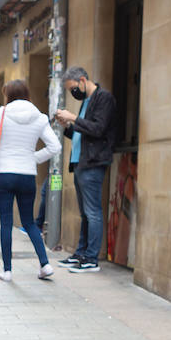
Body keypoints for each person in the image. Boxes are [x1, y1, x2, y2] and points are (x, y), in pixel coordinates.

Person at [0, 79, 60, 282]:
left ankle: (7, 271)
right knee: (29, 222)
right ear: (27, 94)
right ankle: (45, 265)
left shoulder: (2, 113)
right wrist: (32, 158)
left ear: (7, 94)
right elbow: (55, 147)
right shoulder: (39, 117)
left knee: (6, 223)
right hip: (27, 175)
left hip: (5, 174)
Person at [54, 67, 118, 273]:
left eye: (73, 88)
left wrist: (73, 117)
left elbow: (98, 129)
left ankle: (91, 258)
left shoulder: (103, 98)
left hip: (93, 162)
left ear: (82, 80)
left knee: (92, 212)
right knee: (85, 213)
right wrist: (67, 126)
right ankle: (81, 254)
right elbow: (82, 134)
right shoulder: (86, 102)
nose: (74, 92)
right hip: (80, 162)